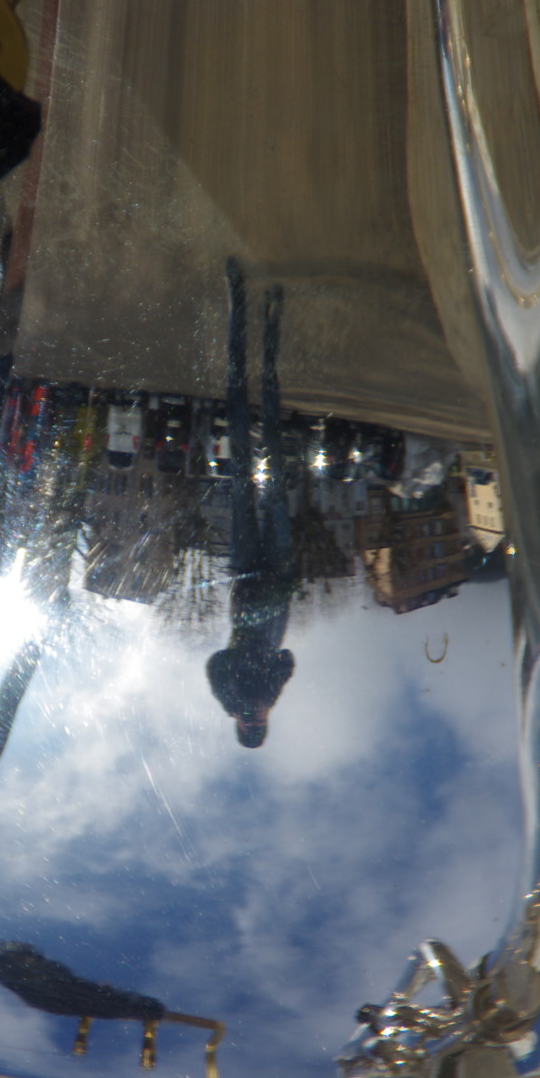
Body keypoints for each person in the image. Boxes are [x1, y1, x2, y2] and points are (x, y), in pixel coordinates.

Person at [206, 260, 296, 748]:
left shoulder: (231, 697)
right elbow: (287, 659)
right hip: (278, 570)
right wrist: (269, 696)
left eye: (248, 724)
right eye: (259, 723)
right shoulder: (271, 693)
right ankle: (270, 325)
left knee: (241, 462)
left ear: (238, 725)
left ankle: (238, 304)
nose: (253, 717)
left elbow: (216, 662)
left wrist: (233, 698)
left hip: (245, 571)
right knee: (273, 461)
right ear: (268, 722)